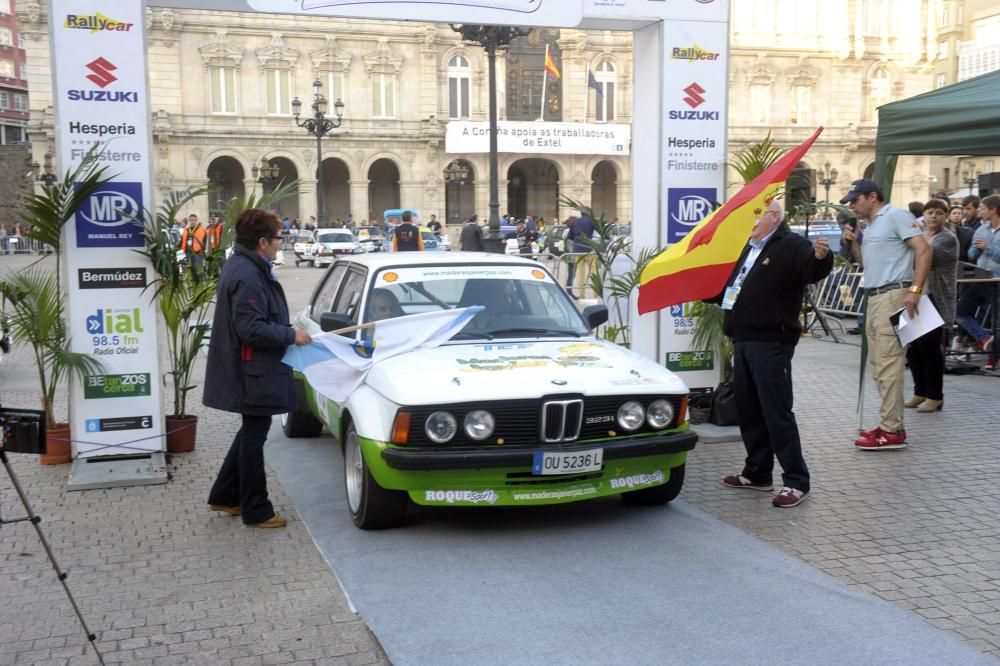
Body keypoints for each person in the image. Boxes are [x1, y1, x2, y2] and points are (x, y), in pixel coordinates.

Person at [718, 199, 833, 508]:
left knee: (776, 411)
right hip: (742, 338)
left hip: (771, 341)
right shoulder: (749, 248)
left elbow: (811, 269)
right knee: (750, 408)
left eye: (755, 216)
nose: (749, 222)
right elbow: (730, 290)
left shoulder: (790, 244)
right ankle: (757, 473)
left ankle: (796, 481)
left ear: (773, 217)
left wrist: (822, 257)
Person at [205, 208, 312, 528]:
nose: (281, 244)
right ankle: (256, 509)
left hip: (253, 368)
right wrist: (290, 334)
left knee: (252, 430)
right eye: (278, 239)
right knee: (254, 435)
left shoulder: (245, 265)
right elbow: (250, 328)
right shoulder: (248, 274)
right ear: (263, 242)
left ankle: (225, 495)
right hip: (253, 370)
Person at [840, 178, 931, 451]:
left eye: (855, 201)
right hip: (876, 297)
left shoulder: (896, 216)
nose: (852, 207)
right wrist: (854, 244)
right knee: (879, 365)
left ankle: (892, 430)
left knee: (889, 363)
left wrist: (915, 290)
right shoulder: (872, 226)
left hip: (894, 295)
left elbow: (925, 249)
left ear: (872, 197)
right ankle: (890, 425)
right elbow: (869, 264)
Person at [905, 199, 958, 413]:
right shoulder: (922, 236)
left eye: (938, 213)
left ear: (945, 217)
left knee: (930, 348)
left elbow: (925, 256)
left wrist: (912, 236)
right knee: (913, 348)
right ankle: (920, 391)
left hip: (935, 296)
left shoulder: (947, 239)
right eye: (929, 213)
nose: (933, 217)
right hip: (917, 295)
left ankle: (935, 396)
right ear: (923, 215)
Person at [955, 194, 1000, 364]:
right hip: (980, 278)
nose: (980, 211)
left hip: (997, 280)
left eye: (982, 208)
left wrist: (988, 248)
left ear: (993, 210)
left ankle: (992, 358)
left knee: (997, 320)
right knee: (960, 312)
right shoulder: (981, 230)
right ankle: (984, 338)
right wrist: (976, 249)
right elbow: (971, 254)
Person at [565, 210, 595, 294]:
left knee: (580, 274)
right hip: (589, 249)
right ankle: (595, 295)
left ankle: (582, 296)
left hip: (577, 250)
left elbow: (570, 237)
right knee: (593, 273)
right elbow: (601, 232)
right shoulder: (591, 221)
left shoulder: (575, 222)